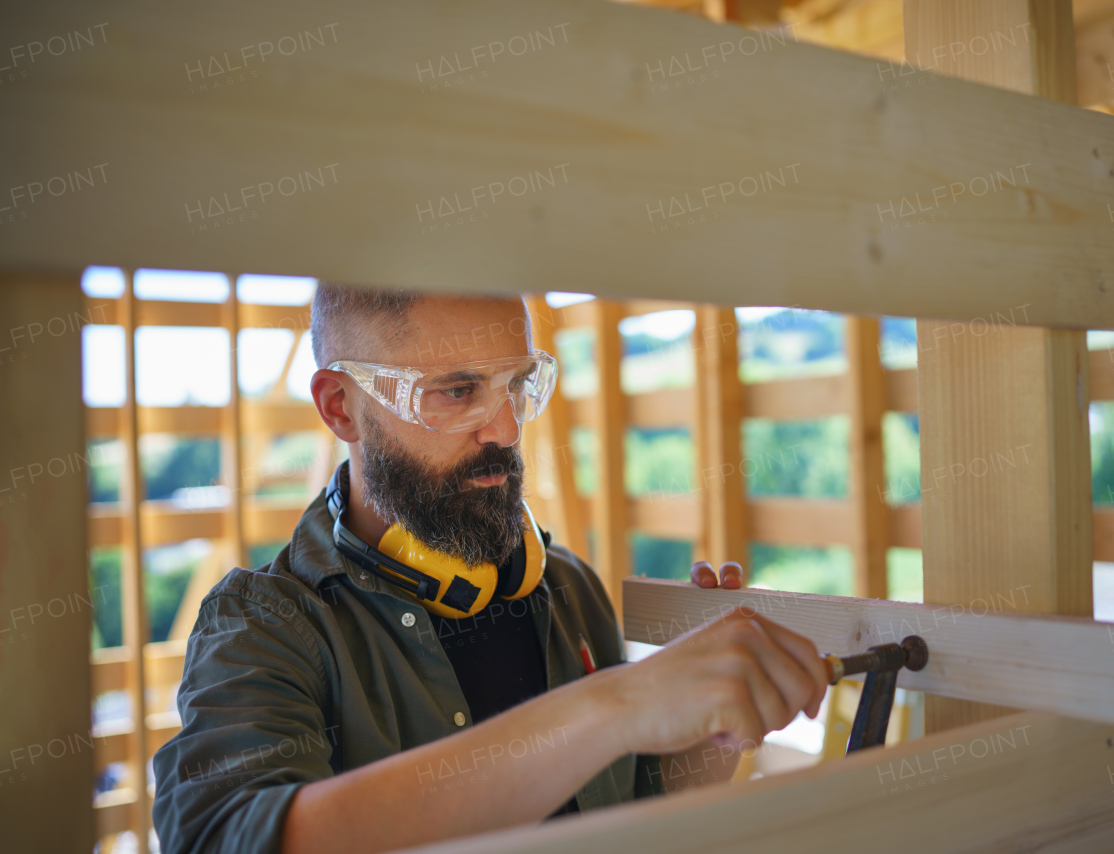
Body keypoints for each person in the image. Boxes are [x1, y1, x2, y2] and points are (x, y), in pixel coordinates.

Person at [152, 284, 828, 854]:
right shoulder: (265, 624)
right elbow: (227, 837)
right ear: (340, 407)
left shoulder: (564, 587)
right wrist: (614, 705)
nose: (504, 427)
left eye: (518, 383)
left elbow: (636, 804)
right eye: (456, 391)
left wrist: (714, 719)